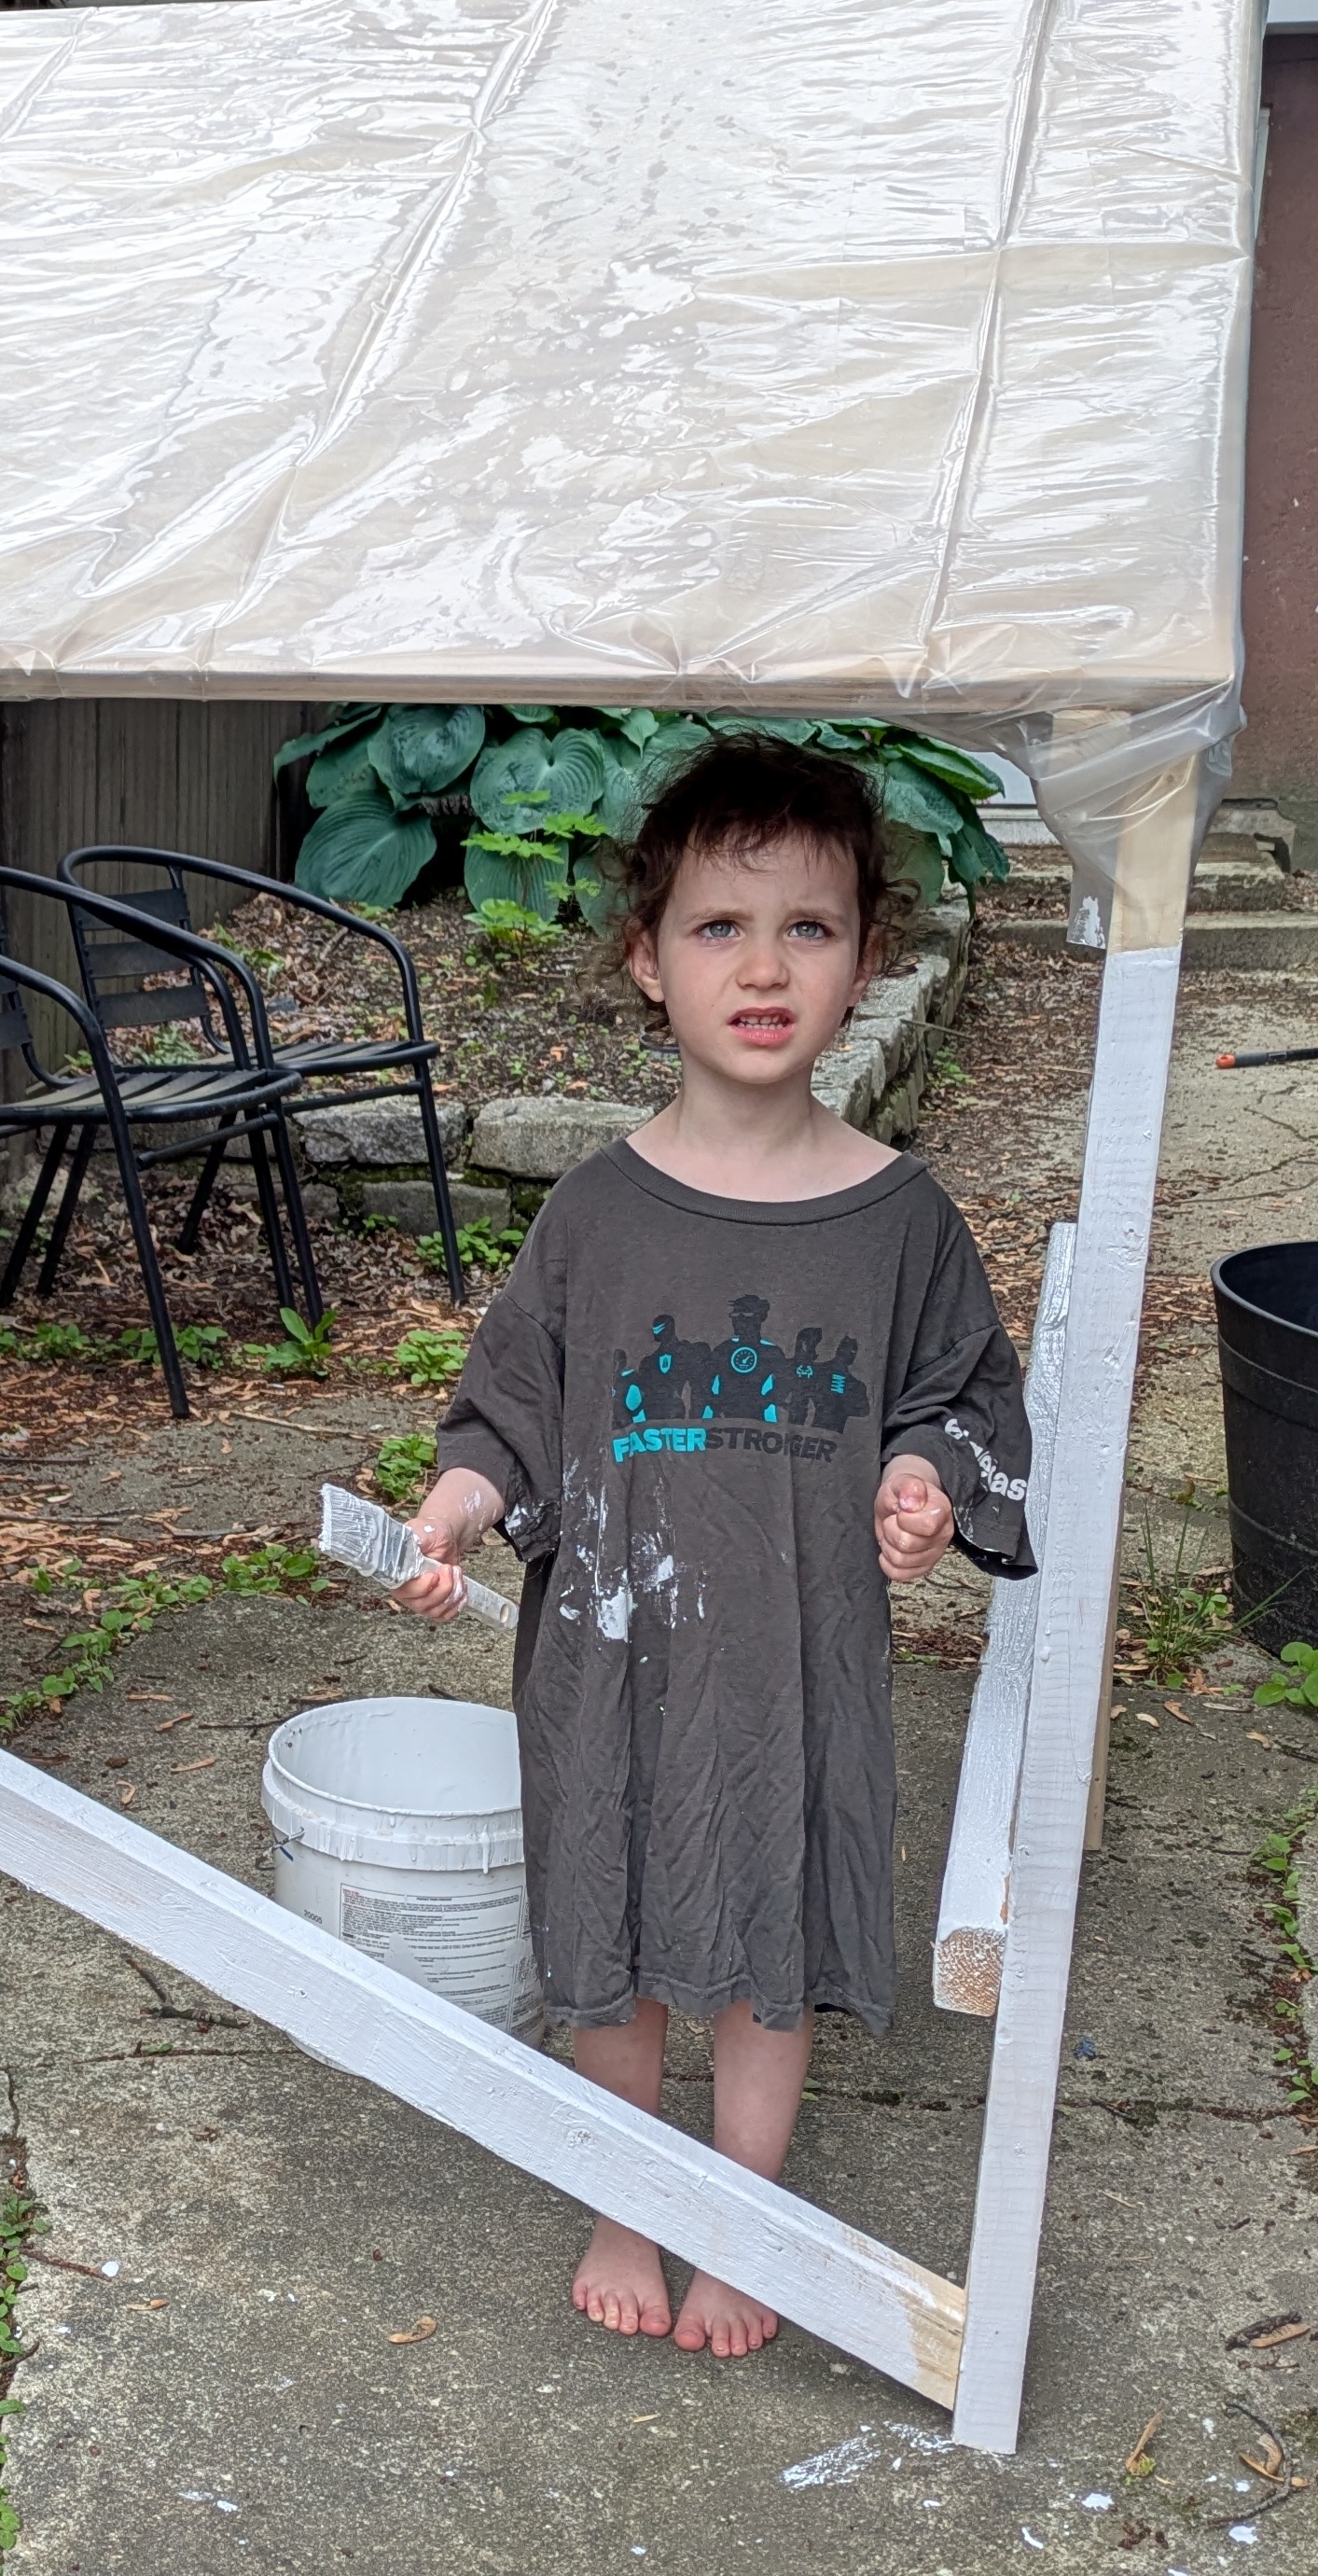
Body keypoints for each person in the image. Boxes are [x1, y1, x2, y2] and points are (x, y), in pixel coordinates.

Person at [385, 740, 1033, 2360]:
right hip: (609, 1656)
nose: (762, 967)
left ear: (867, 962)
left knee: (770, 1933)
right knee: (606, 1932)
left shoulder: (901, 1220)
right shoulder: (595, 1215)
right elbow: (507, 1406)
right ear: (645, 956)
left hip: (796, 1665)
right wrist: (455, 1507)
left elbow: (960, 1396)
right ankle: (629, 2201)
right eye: (718, 927)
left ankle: (743, 2221)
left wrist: (921, 1477)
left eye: (808, 928)